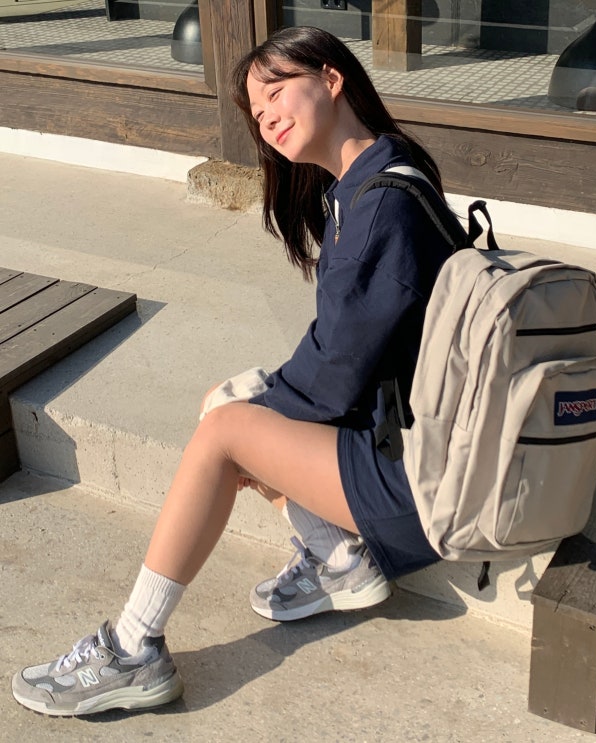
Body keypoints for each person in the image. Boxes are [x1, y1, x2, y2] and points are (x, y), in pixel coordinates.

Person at [11, 25, 452, 717]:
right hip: (405, 437)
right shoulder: (375, 176)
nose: (267, 117)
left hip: (420, 483)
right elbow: (349, 347)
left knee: (223, 431)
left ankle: (132, 648)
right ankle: (340, 559)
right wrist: (262, 391)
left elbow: (335, 375)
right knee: (235, 405)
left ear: (331, 79)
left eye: (277, 92)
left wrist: (258, 399)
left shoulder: (381, 208)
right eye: (256, 109)